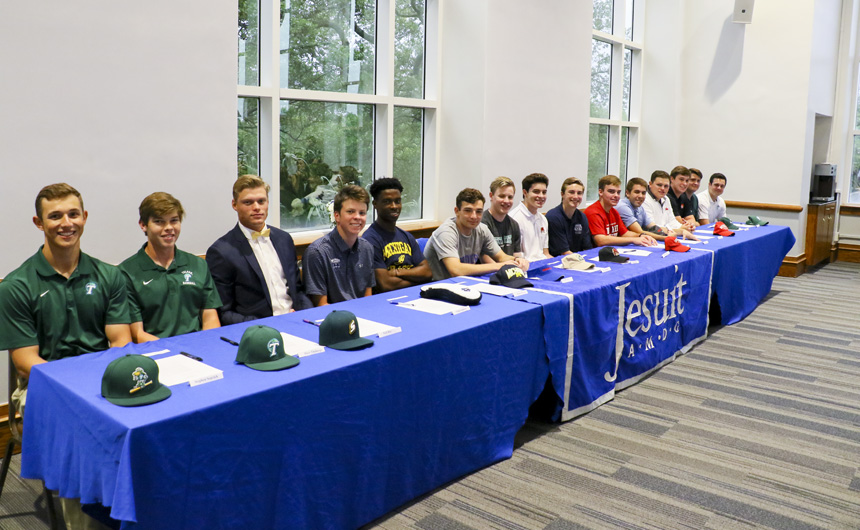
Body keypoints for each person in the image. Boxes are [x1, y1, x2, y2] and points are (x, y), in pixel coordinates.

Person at [0, 183, 131, 530]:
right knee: (84, 431)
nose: (65, 222)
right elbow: (24, 360)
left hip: (103, 378)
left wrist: (98, 382)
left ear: (84, 217)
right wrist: (75, 388)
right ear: (38, 222)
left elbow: (120, 340)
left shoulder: (109, 275)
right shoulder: (16, 285)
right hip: (44, 388)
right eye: (54, 216)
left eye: (73, 214)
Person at [206, 175, 311, 324]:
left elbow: (298, 291)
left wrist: (306, 315)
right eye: (248, 202)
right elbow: (224, 313)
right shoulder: (222, 252)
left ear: (267, 202)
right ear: (234, 205)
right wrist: (268, 323)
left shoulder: (284, 239)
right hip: (257, 330)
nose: (256, 207)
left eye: (261, 201)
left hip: (296, 320)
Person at [120, 192, 221, 342]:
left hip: (198, 350)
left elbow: (210, 318)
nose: (169, 228)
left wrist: (205, 346)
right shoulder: (126, 273)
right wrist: (174, 352)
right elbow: (136, 333)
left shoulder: (198, 265)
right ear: (143, 225)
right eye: (159, 222)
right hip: (155, 354)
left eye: (174, 220)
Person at [424, 188, 529, 280]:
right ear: (457, 211)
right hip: (438, 288)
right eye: (468, 210)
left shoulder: (482, 229)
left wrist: (516, 260)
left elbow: (501, 257)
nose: (474, 216)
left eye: (478, 211)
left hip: (466, 284)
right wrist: (499, 266)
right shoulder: (446, 232)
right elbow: (456, 270)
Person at [303, 184, 376, 305]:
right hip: (334, 319)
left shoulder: (367, 248)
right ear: (337, 216)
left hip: (363, 316)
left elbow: (368, 298)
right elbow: (321, 306)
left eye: (362, 213)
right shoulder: (317, 252)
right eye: (351, 211)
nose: (357, 217)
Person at [363, 178, 432, 293]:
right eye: (387, 201)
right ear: (375, 204)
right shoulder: (370, 240)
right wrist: (417, 280)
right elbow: (385, 284)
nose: (394, 206)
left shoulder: (407, 236)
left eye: (397, 201)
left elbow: (427, 272)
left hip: (414, 296)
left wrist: (396, 272)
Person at [584, 175, 657, 247]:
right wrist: (633, 240)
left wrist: (641, 236)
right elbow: (600, 240)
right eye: (611, 192)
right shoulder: (593, 212)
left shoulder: (614, 211)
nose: (616, 195)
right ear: (600, 192)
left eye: (618, 192)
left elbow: (624, 233)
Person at [617, 178, 698, 242]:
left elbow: (655, 228)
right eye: (637, 192)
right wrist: (666, 238)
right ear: (627, 193)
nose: (640, 196)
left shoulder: (639, 207)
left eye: (643, 193)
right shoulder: (623, 206)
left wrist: (680, 231)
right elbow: (639, 232)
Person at [509, 173, 552, 261]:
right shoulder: (514, 219)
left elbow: (545, 253)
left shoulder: (543, 219)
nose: (541, 196)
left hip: (543, 265)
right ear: (525, 192)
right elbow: (514, 258)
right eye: (536, 192)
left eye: (544, 192)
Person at [546, 177, 593, 255]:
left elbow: (587, 248)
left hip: (578, 259)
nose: (575, 197)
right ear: (562, 194)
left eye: (579, 193)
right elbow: (564, 252)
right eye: (571, 192)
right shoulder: (553, 217)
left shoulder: (582, 217)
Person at [481, 176, 523, 258]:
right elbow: (485, 260)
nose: (506, 201)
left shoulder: (514, 225)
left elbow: (517, 255)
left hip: (510, 268)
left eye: (510, 197)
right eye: (501, 196)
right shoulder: (482, 223)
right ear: (491, 196)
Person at [666, 166, 697, 230]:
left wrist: (688, 223)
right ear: (672, 179)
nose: (685, 183)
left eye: (687, 180)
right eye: (681, 179)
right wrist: (687, 223)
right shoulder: (667, 196)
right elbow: (678, 222)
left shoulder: (683, 195)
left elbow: (691, 219)